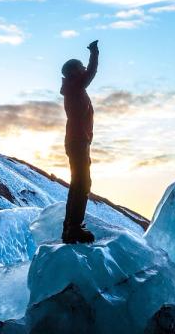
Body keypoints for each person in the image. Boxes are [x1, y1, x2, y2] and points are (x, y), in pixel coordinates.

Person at [60, 39, 99, 244]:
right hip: (78, 142)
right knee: (82, 183)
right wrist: (94, 52)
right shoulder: (76, 86)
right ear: (75, 72)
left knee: (78, 184)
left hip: (78, 142)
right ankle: (74, 228)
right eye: (80, 67)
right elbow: (91, 72)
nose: (84, 69)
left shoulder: (73, 87)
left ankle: (70, 227)